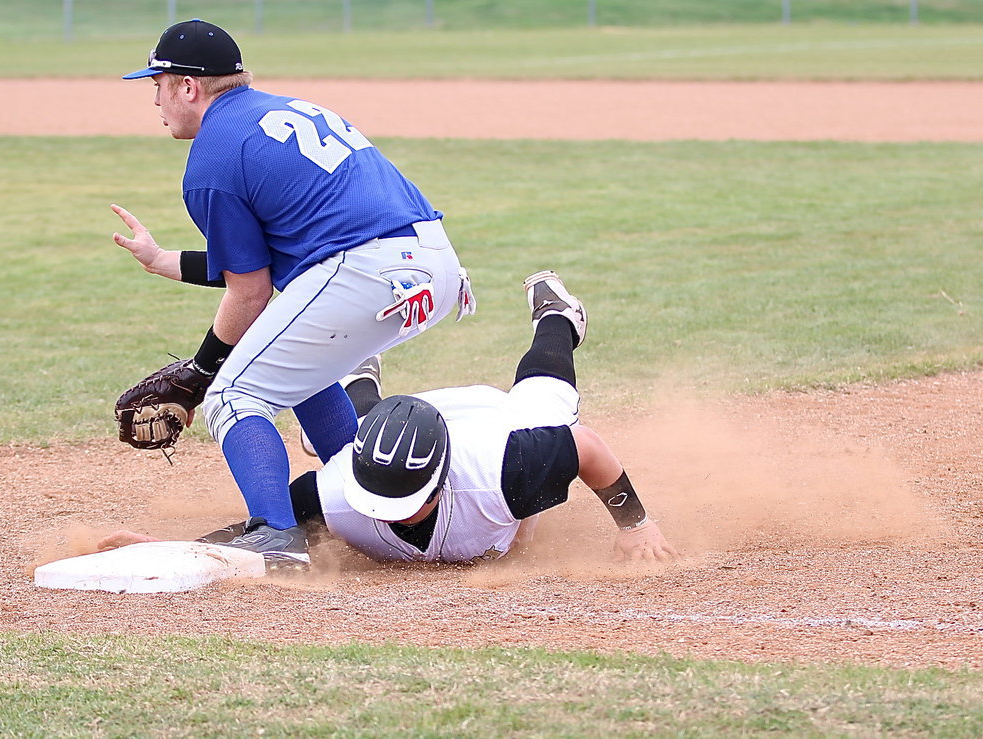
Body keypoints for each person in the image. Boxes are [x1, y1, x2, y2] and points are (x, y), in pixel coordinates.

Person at [109, 19, 471, 571]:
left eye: (158, 82)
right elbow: (271, 262)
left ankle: (275, 536)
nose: (154, 97)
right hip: (432, 263)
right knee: (295, 366)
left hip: (366, 269)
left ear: (189, 87)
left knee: (235, 396)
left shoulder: (212, 157)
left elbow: (250, 295)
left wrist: (201, 377)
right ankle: (379, 505)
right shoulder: (276, 112)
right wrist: (166, 261)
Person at [99, 271, 677, 565]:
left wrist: (636, 524)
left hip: (489, 425)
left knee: (548, 391)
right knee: (366, 426)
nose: (388, 515)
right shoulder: (344, 489)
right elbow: (261, 535)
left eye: (404, 500)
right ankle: (361, 376)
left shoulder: (507, 466)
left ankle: (556, 315)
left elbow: (590, 450)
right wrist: (173, 550)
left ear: (440, 483)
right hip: (410, 425)